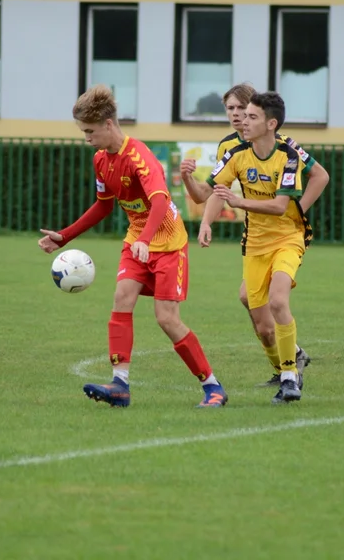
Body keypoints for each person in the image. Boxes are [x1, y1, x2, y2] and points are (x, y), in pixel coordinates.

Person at [38, 84, 228, 408]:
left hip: (168, 242)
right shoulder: (101, 160)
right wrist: (65, 236)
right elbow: (103, 206)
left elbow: (160, 200)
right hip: (137, 240)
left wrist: (145, 240)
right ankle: (120, 385)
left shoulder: (140, 157)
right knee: (121, 299)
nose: (87, 138)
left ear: (108, 124)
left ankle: (213, 387)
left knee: (166, 318)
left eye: (90, 131)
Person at [180, 83, 328, 388]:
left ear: (261, 117)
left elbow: (318, 177)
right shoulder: (230, 150)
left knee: (276, 301)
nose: (237, 117)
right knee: (255, 310)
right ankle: (288, 361)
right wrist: (206, 221)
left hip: (287, 235)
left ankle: (289, 374)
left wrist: (297, 208)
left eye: (243, 111)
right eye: (231, 110)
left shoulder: (286, 147)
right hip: (255, 240)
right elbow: (214, 192)